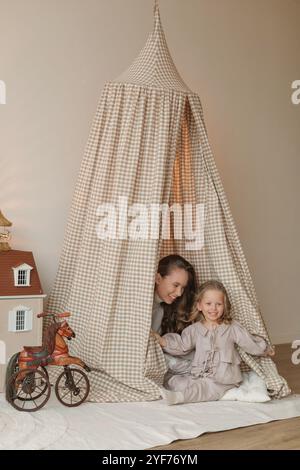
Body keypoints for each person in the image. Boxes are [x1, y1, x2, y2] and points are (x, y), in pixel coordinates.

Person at [153, 279, 275, 405]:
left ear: (224, 306)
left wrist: (264, 349)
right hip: (200, 375)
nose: (213, 308)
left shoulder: (231, 327)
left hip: (224, 379)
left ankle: (179, 398)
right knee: (178, 382)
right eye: (208, 303)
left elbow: (248, 342)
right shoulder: (194, 330)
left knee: (204, 388)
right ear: (200, 305)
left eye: (218, 304)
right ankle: (180, 391)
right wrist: (162, 341)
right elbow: (182, 345)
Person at [151, 254, 197, 375]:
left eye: (183, 288)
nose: (179, 293)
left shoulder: (163, 308)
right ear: (158, 279)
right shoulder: (143, 306)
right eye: (176, 285)